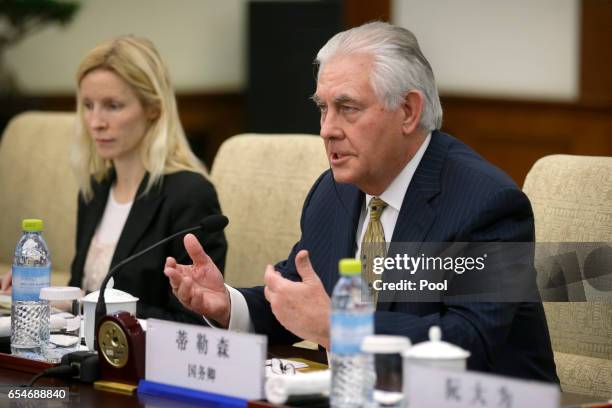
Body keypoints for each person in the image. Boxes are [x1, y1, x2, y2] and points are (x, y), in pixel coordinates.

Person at [164, 22, 558, 381]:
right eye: (323, 108)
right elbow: (301, 301)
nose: (327, 130)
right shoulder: (333, 192)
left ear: (407, 111)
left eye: (347, 108)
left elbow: (467, 340)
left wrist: (340, 326)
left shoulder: (486, 202)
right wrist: (227, 304)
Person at [2, 36, 227, 324]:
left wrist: (79, 302)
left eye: (113, 105)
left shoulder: (191, 194)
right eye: (88, 105)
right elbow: (79, 293)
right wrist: (33, 292)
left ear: (153, 109)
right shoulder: (95, 188)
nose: (96, 122)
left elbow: (192, 323)